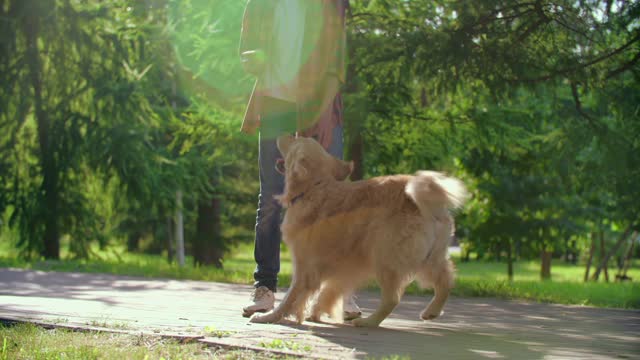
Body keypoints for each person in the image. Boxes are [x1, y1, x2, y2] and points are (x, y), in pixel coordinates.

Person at [238, 0, 361, 320]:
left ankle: (338, 290)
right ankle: (265, 287)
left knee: (332, 196)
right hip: (275, 100)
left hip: (318, 99)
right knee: (272, 195)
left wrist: (325, 104)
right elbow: (248, 46)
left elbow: (337, 55)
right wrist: (252, 60)